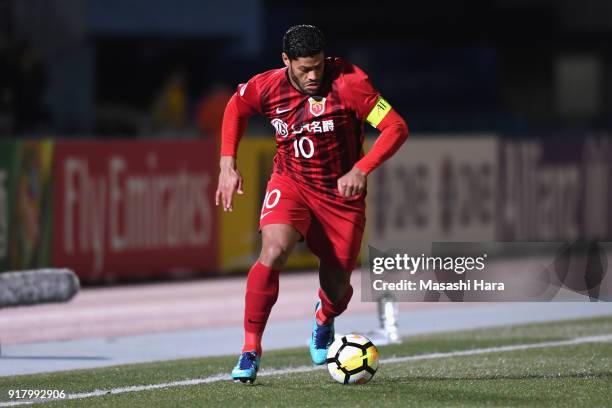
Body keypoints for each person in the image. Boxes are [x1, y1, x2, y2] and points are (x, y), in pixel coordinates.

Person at [215, 24, 409, 383]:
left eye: (318, 66)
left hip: (341, 198)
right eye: (304, 68)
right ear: (286, 60)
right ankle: (250, 349)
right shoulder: (267, 86)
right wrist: (228, 164)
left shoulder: (350, 82)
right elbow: (235, 107)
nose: (313, 75)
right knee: (273, 251)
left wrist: (362, 168)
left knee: (338, 287)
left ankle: (324, 317)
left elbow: (396, 127)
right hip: (292, 183)